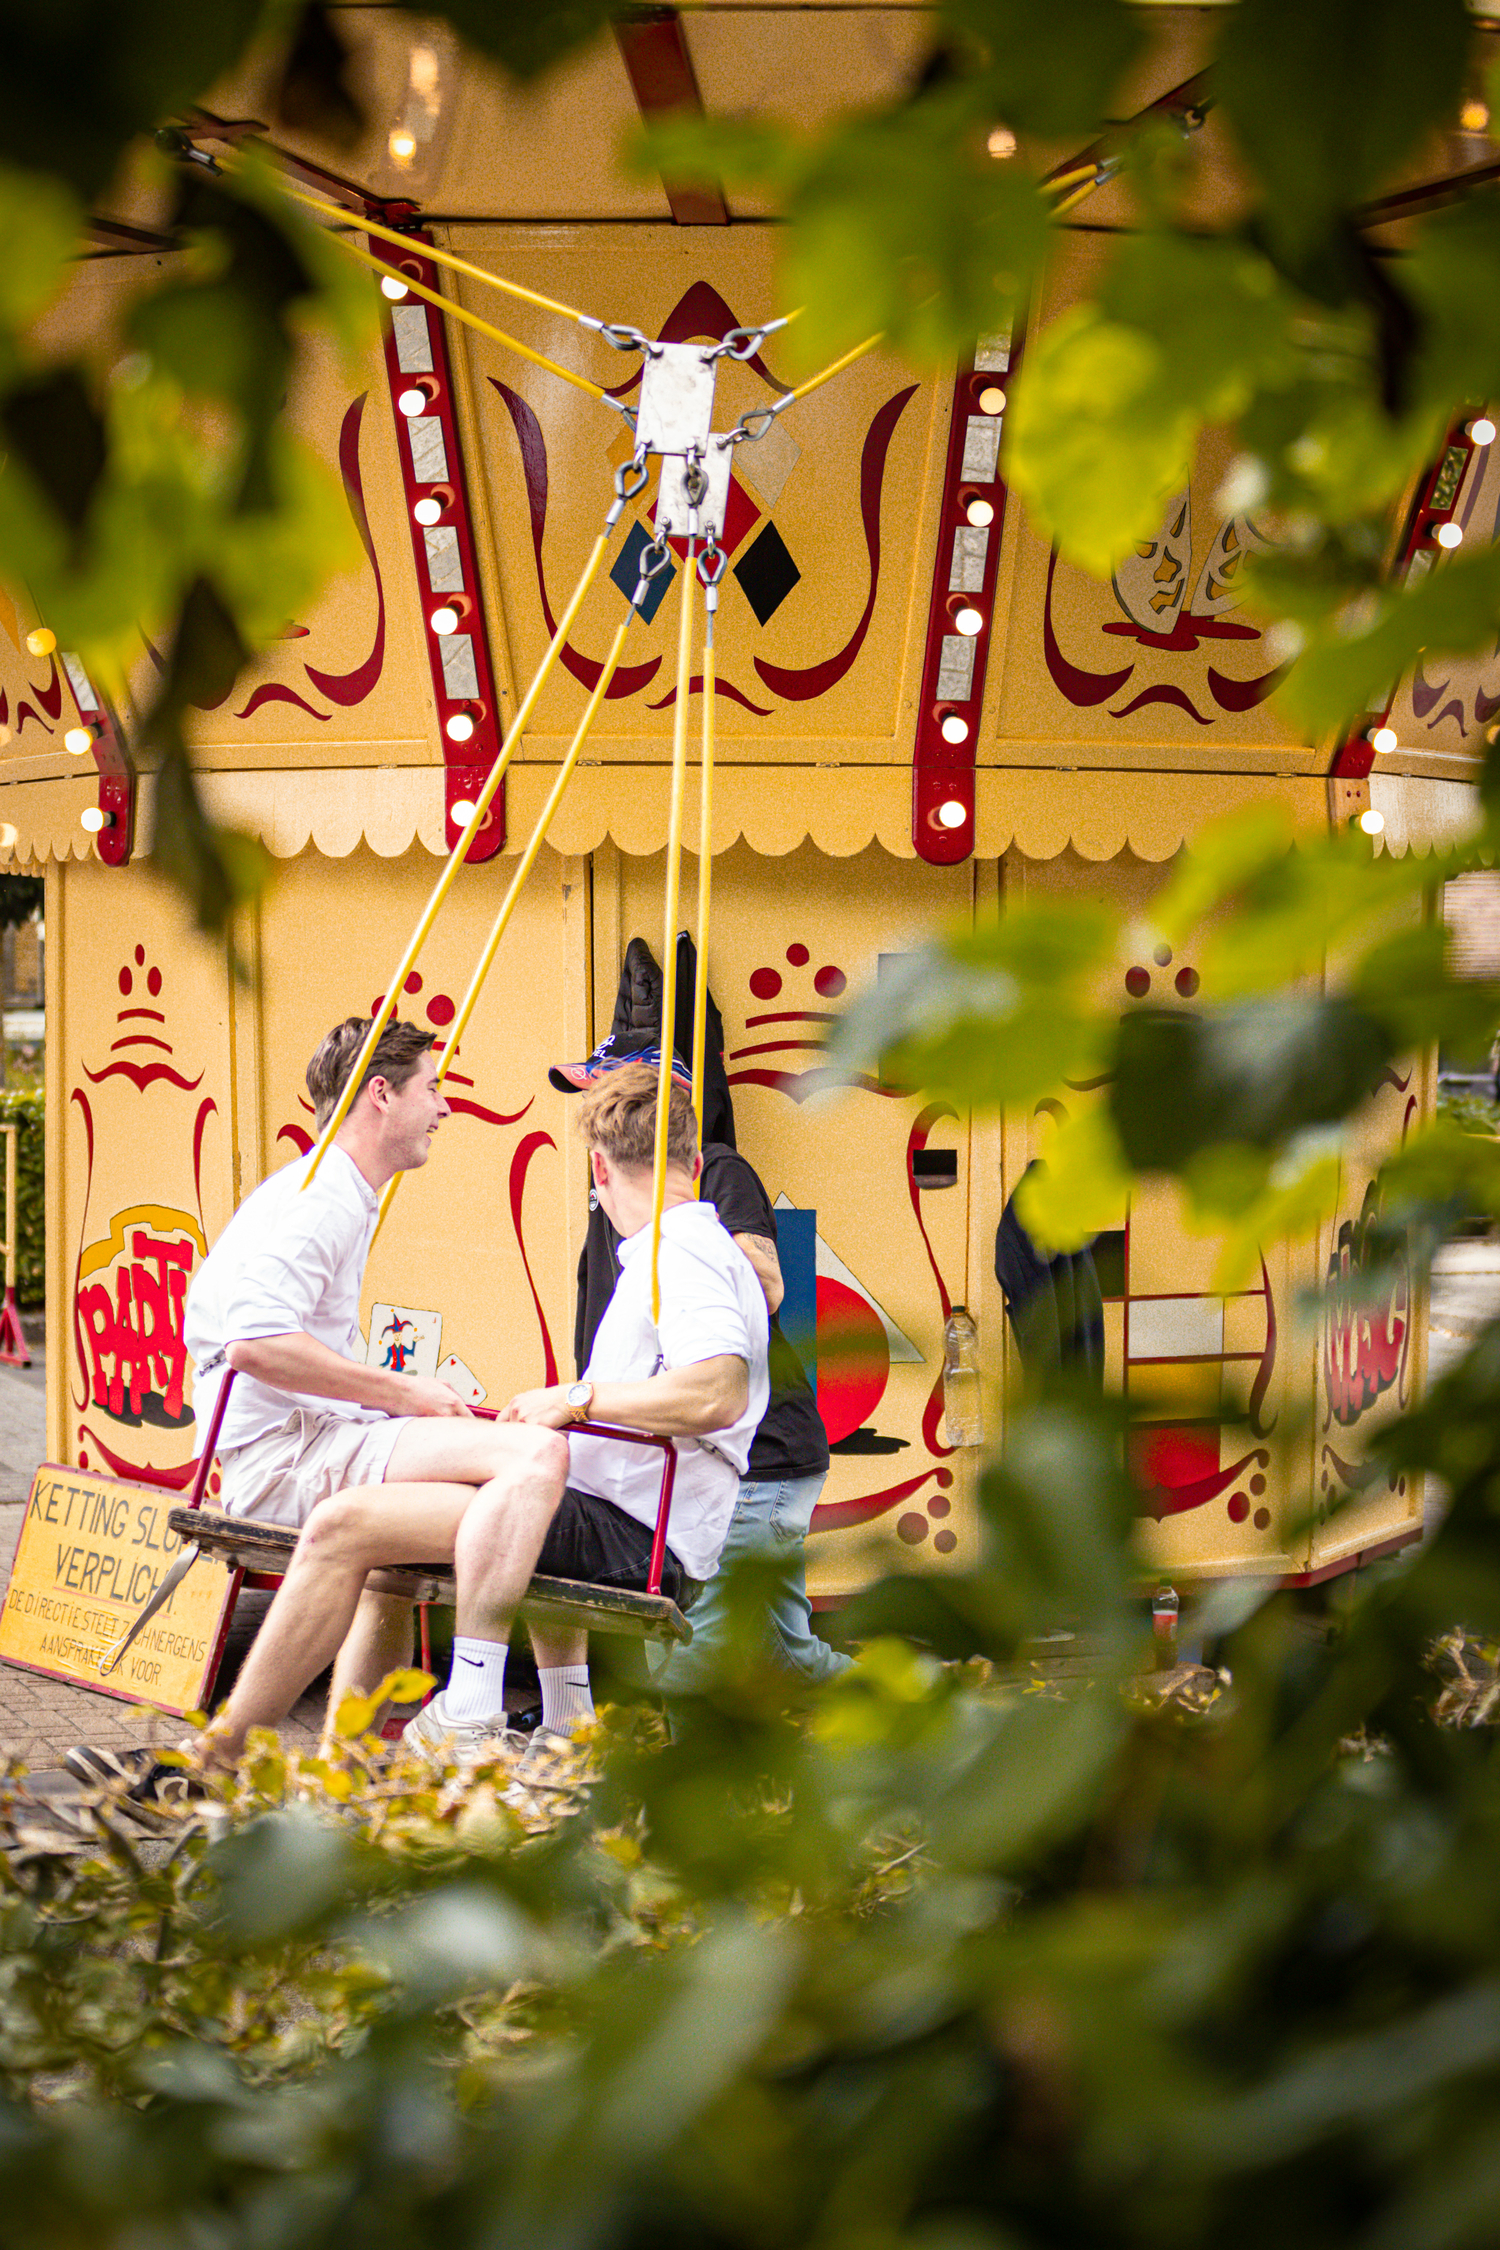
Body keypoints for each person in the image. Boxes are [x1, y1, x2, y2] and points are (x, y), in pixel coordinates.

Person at [68, 1015, 574, 1789]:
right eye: (432, 1089)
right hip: (286, 1456)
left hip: (294, 1443)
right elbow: (254, 1344)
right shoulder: (321, 1199)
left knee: (411, 1546)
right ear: (382, 1094)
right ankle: (475, 1705)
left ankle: (344, 1767)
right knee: (534, 1454)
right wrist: (403, 1390)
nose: (444, 1108)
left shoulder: (329, 1190)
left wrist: (400, 1404)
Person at [554, 1029, 847, 1689]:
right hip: (698, 1455)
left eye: (610, 1087)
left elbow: (767, 1282)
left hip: (755, 1457)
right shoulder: (622, 1208)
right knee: (780, 1654)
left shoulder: (710, 1175)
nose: (597, 1105)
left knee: (699, 1658)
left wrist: (695, 1251)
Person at [500, 1062, 771, 1751]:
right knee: (516, 1478)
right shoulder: (682, 1246)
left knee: (430, 1495)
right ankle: (566, 1724)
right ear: (692, 1159)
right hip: (637, 1520)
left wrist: (575, 1397)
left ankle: (465, 1709)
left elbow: (719, 1389)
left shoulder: (679, 1250)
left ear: (599, 1170)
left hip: (642, 1536)